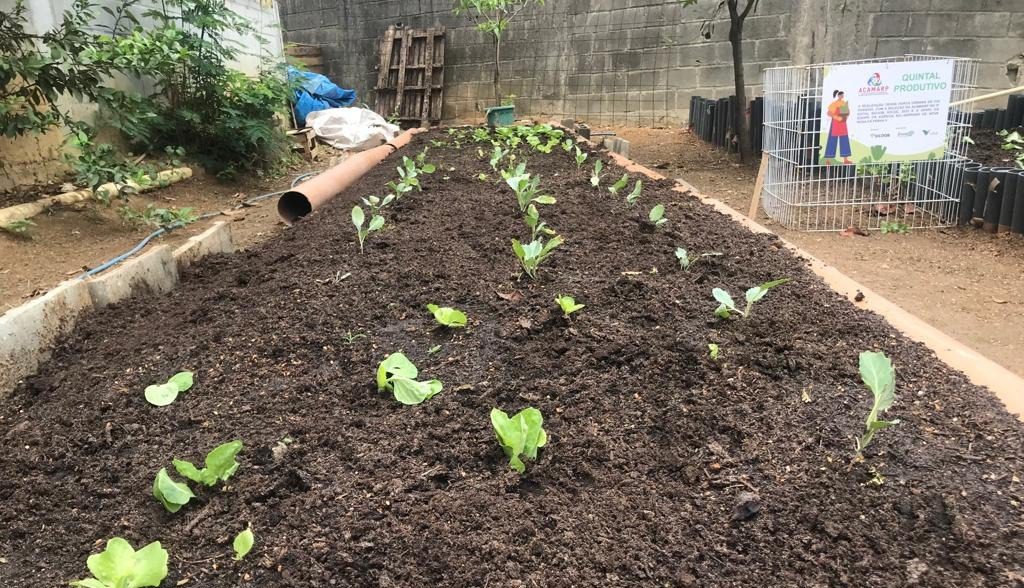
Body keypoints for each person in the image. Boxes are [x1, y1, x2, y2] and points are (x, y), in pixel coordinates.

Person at [824, 90, 852, 165]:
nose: (842, 96)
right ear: (838, 95)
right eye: (841, 95)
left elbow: (847, 112)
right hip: (835, 124)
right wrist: (836, 117)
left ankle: (845, 159)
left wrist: (846, 116)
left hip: (843, 124)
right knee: (832, 141)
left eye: (843, 95)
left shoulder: (843, 103)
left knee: (844, 141)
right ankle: (828, 159)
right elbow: (829, 113)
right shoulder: (834, 104)